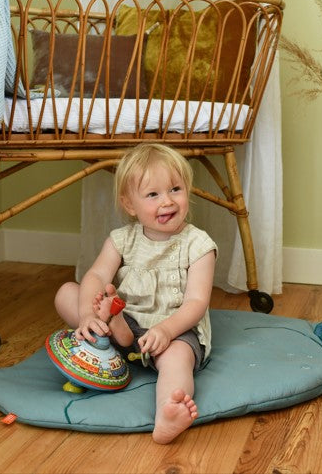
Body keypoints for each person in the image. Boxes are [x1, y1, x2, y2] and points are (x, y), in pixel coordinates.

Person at [54, 143, 217, 444]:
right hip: (125, 320)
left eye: (175, 189)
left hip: (174, 328)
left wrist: (166, 331)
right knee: (68, 291)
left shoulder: (198, 244)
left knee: (177, 358)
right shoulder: (122, 239)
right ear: (130, 205)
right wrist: (89, 315)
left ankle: (169, 412)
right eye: (153, 194)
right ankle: (106, 331)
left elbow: (197, 302)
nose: (167, 201)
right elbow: (96, 275)